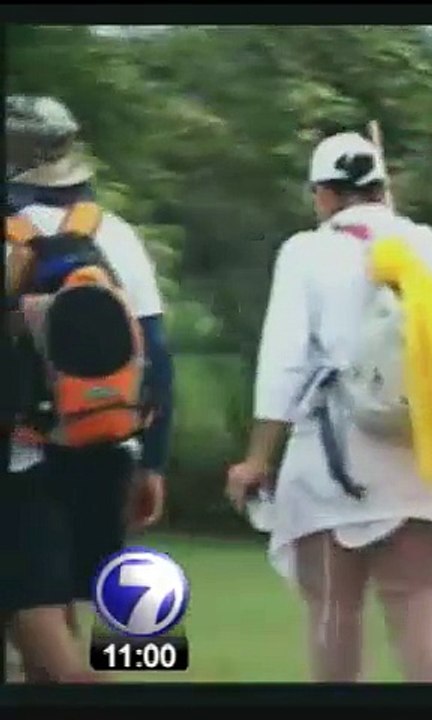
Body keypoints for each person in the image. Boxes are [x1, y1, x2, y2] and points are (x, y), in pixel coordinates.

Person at [225, 131, 432, 683]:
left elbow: (283, 364)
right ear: (383, 188)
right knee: (425, 603)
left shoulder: (306, 251)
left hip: (331, 461)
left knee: (333, 610)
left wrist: (257, 459)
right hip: (420, 455)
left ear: (324, 193)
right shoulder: (427, 243)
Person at [1, 96, 173, 683]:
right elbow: (156, 352)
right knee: (50, 614)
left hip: (24, 454)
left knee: (35, 617)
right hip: (109, 444)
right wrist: (152, 461)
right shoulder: (113, 233)